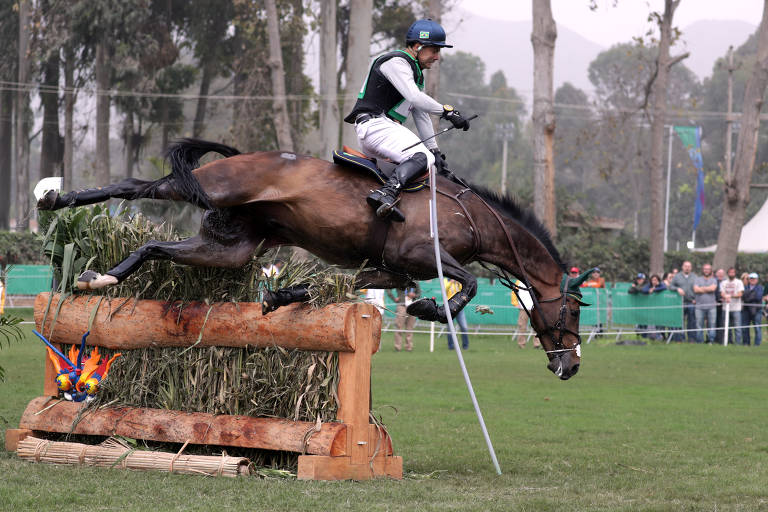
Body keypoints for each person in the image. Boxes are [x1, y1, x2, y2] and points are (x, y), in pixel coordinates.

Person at [343, 18, 470, 222]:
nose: (437, 57)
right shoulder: (397, 62)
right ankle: (386, 193)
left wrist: (435, 151)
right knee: (422, 156)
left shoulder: (415, 73)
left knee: (424, 168)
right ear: (418, 46)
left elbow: (421, 114)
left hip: (381, 130)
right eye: (434, 50)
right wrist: (448, 112)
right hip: (376, 126)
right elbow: (415, 98)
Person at [386, 284, 421, 351]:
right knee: (399, 326)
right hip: (401, 306)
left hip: (412, 306)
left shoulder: (415, 281)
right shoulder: (400, 280)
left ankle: (409, 347)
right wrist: (394, 298)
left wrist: (414, 295)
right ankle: (398, 347)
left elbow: (419, 293)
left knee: (410, 328)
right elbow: (388, 289)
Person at [668, 261, 697, 342]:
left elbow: (698, 288)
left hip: (692, 302)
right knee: (680, 322)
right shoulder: (677, 276)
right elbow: (670, 286)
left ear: (691, 268)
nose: (687, 268)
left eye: (689, 266)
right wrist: (677, 289)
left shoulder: (695, 277)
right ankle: (680, 338)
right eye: (685, 266)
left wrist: (696, 299)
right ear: (682, 267)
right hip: (680, 302)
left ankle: (692, 339)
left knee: (692, 321)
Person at [693, 264, 718, 344]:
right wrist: (708, 288)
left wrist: (702, 288)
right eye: (705, 269)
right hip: (699, 306)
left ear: (710, 270)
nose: (706, 270)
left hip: (711, 307)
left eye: (708, 269)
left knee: (712, 325)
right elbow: (696, 290)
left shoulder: (714, 280)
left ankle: (711, 341)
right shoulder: (697, 279)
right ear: (702, 270)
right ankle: (700, 341)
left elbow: (713, 288)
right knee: (699, 325)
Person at [511, 279, 538, 348]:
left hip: (535, 308)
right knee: (522, 326)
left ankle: (537, 344)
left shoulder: (535, 279)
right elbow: (513, 292)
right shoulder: (518, 281)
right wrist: (515, 303)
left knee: (537, 327)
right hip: (523, 308)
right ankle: (521, 344)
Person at [721, 267, 744, 344]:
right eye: (730, 272)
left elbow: (740, 293)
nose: (731, 274)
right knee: (727, 327)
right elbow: (722, 293)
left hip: (736, 308)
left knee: (737, 327)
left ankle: (738, 343)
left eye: (733, 272)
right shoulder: (724, 282)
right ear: (728, 273)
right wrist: (725, 296)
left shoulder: (739, 282)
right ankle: (729, 342)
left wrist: (730, 296)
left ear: (735, 273)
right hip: (725, 308)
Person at [444, 278, 469, 350]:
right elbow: (445, 289)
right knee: (450, 328)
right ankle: (451, 346)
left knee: (464, 327)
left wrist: (458, 282)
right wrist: (452, 282)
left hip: (459, 307)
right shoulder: (446, 280)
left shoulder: (458, 282)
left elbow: (462, 290)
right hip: (449, 307)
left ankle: (465, 346)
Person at [741, 272, 763, 346]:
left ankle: (757, 344)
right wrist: (752, 294)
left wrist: (748, 296)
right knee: (745, 327)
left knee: (757, 327)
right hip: (746, 310)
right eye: (751, 278)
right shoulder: (745, 287)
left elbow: (758, 297)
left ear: (757, 280)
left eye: (754, 278)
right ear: (749, 279)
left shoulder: (760, 287)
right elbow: (743, 297)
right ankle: (746, 343)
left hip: (757, 310)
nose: (752, 280)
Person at [714, 268, 726, 344]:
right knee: (714, 323)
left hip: (724, 305)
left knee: (722, 323)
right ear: (716, 274)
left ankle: (721, 340)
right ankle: (714, 339)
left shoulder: (726, 282)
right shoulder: (713, 281)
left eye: (722, 273)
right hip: (714, 305)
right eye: (719, 273)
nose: (720, 275)